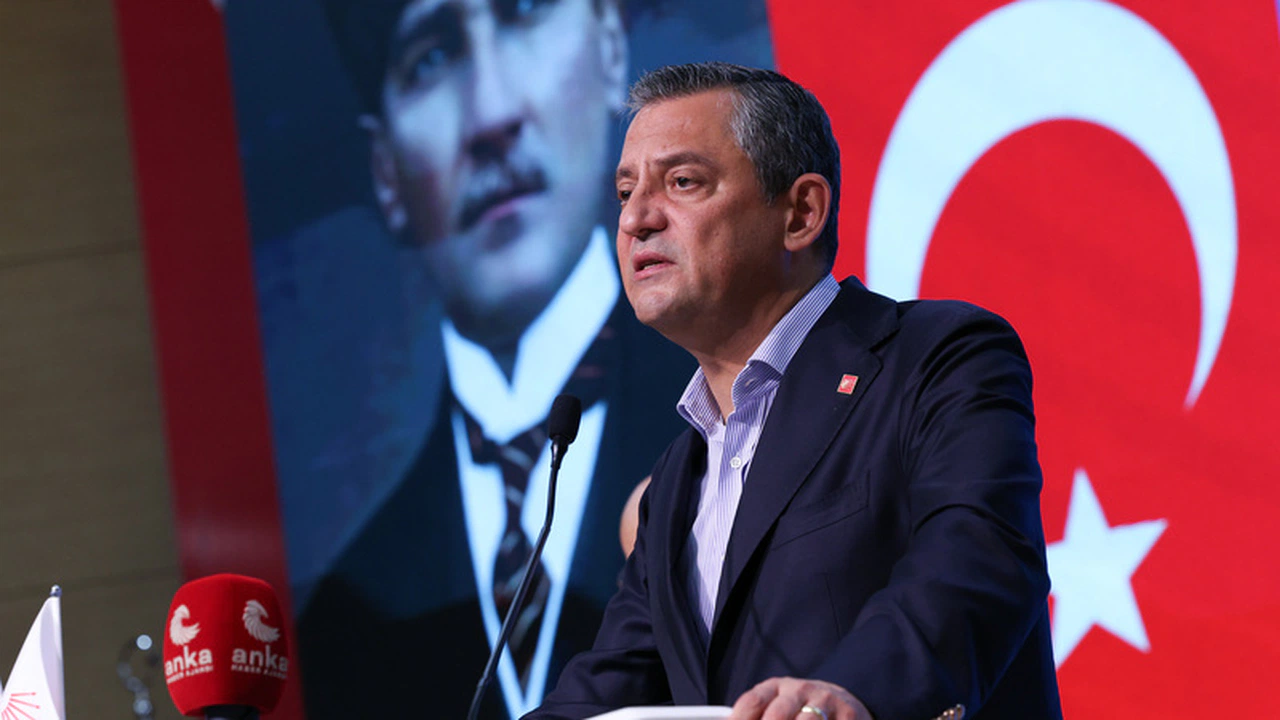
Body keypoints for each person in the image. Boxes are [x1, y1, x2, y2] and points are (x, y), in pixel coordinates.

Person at [526, 62, 1062, 720]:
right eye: (625, 192)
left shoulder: (936, 359)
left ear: (801, 213)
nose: (636, 218)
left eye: (683, 182)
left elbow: (976, 560)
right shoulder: (675, 484)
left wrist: (856, 692)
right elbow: (610, 687)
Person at [297, 1, 694, 718]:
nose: (491, 116)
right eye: (430, 58)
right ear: (385, 172)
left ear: (611, 49)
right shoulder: (346, 618)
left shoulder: (752, 434)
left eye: (525, 12)